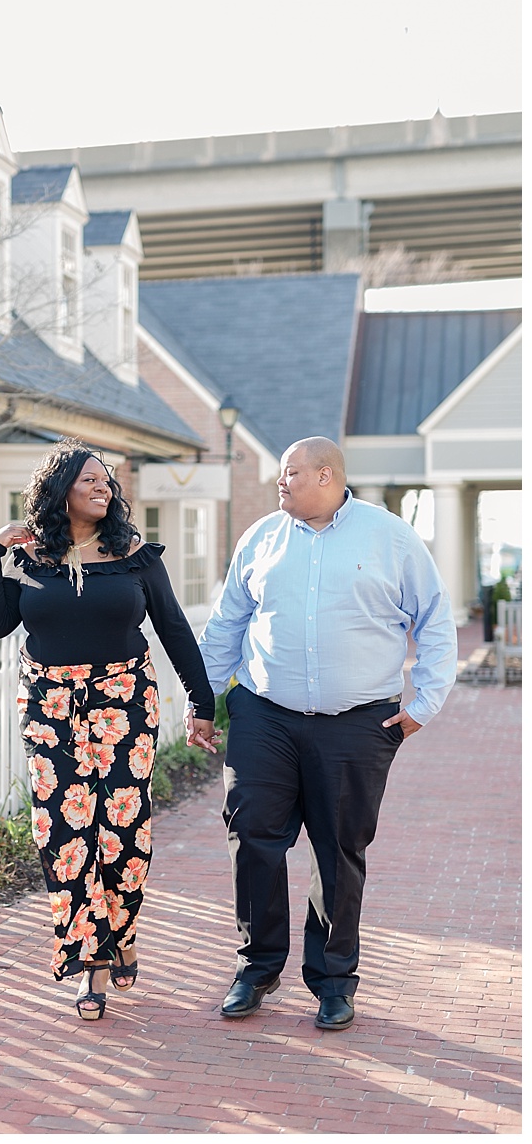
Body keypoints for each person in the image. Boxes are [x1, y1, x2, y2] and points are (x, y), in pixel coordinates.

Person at [188, 436, 455, 1031]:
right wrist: (203, 702)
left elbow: (435, 617)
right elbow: (229, 622)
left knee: (338, 849)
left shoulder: (390, 537)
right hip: (264, 714)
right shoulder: (260, 537)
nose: (280, 482)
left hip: (358, 724)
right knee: (252, 832)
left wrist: (424, 704)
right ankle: (256, 970)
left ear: (327, 475)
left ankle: (334, 982)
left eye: (290, 472)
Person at [0, 439, 215, 1021]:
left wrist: (201, 698)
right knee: (65, 834)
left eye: (105, 479)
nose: (101, 487)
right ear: (60, 491)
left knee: (124, 828)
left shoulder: (134, 555)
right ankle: (94, 964)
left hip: (126, 701)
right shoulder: (30, 558)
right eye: (88, 479)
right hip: (50, 707)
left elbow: (175, 629)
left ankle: (123, 929)